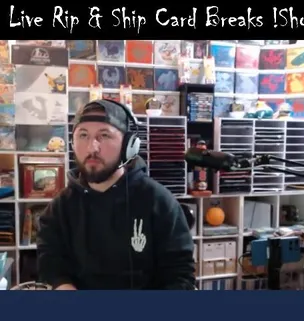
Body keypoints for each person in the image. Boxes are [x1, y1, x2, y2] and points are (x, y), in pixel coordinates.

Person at [37, 99, 195, 290]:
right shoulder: (60, 207)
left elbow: (180, 276)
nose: (92, 148)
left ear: (128, 145)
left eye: (104, 135)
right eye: (83, 135)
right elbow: (51, 261)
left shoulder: (159, 202)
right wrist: (64, 287)